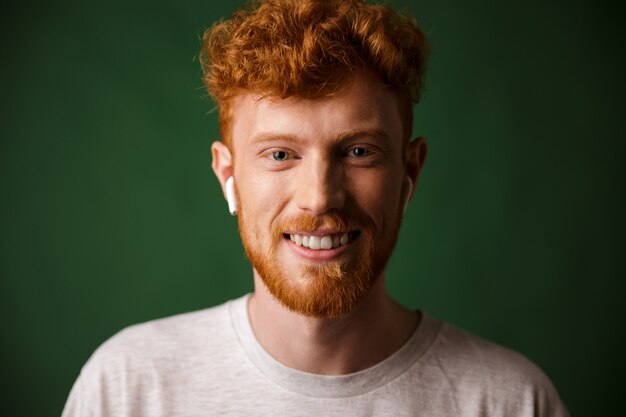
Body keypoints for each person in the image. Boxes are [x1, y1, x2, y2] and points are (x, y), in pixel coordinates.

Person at [62, 0, 569, 415]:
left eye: (359, 152)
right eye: (280, 155)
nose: (320, 196)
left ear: (408, 174)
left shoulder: (511, 402)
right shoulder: (126, 388)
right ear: (228, 176)